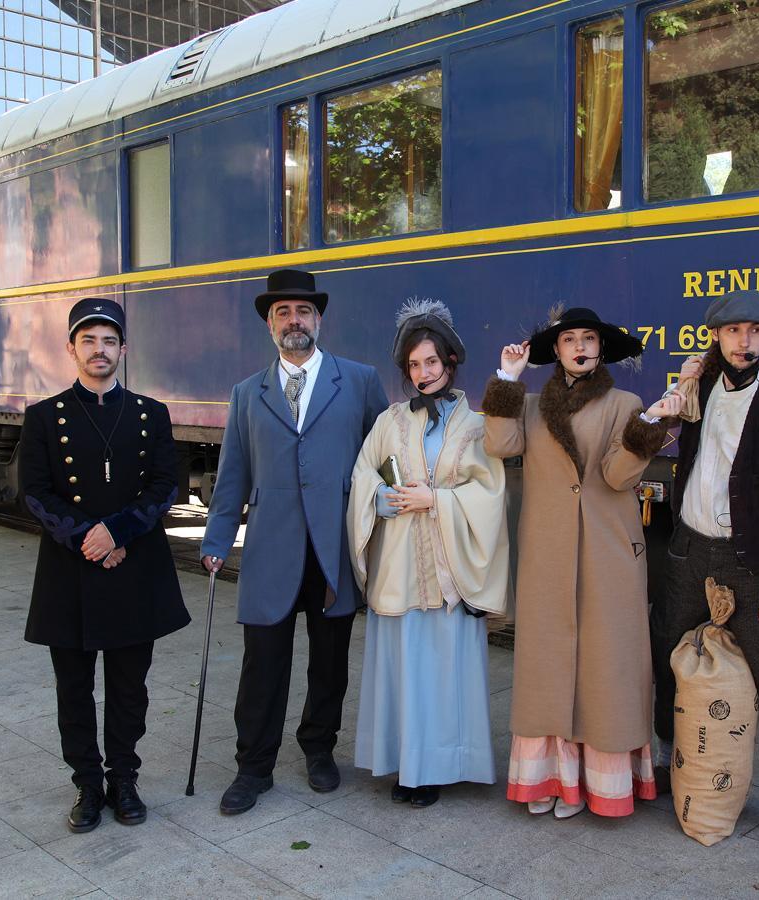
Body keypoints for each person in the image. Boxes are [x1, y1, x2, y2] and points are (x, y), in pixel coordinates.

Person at [481, 306, 688, 819]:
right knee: (547, 668)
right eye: (569, 339)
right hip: (547, 551)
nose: (579, 346)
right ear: (556, 350)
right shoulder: (528, 405)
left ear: (600, 348)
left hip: (608, 552)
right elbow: (498, 444)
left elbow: (619, 477)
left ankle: (599, 786)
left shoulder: (626, 403)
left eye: (588, 338)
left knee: (606, 668)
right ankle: (551, 780)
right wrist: (507, 379)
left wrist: (651, 425)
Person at [200, 269, 388, 815]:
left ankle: (319, 749)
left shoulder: (358, 380)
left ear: (319, 319)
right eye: (283, 313)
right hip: (269, 550)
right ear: (269, 324)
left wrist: (398, 513)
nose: (294, 321)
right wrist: (216, 538)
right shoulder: (246, 393)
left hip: (333, 547)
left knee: (330, 662)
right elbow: (233, 472)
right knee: (263, 664)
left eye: (303, 312)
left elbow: (384, 458)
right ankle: (252, 767)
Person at [650, 289, 759, 856]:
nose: (743, 342)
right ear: (716, 338)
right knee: (665, 654)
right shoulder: (697, 389)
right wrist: (675, 396)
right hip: (689, 550)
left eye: (754, 332)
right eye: (732, 332)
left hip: (749, 561)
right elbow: (654, 428)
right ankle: (670, 764)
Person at [22, 297, 190, 833]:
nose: (100, 350)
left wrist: (117, 531)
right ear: (71, 348)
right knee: (73, 689)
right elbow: (34, 491)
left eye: (109, 341)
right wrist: (86, 538)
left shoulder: (150, 413)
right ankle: (88, 786)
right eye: (89, 340)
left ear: (122, 349)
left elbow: (167, 486)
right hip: (70, 571)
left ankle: (124, 779)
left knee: (128, 687)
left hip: (133, 564)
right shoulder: (44, 416)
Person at [347, 299, 509, 808]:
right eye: (414, 365)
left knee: (443, 671)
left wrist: (434, 499)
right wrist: (383, 498)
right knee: (404, 669)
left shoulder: (477, 425)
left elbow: (491, 494)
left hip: (449, 572)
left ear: (451, 363)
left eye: (431, 362)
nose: (423, 373)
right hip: (398, 570)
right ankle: (405, 765)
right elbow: (361, 475)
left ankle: (439, 765)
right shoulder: (389, 420)